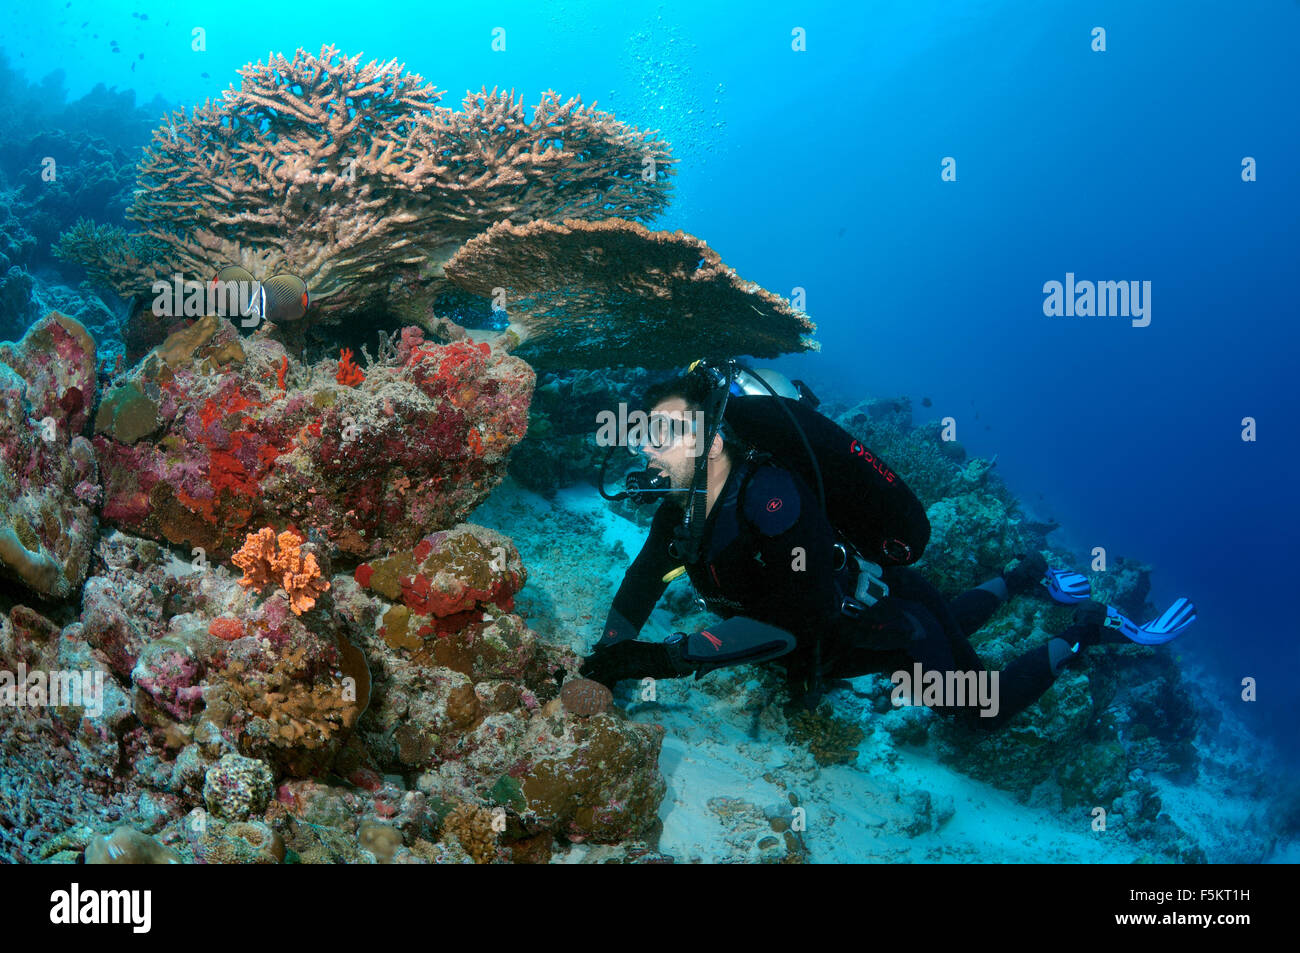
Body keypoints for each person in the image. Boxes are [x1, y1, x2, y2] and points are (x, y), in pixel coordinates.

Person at [580, 366, 1195, 730]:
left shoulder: (771, 498)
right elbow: (644, 580)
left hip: (883, 623)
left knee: (981, 708)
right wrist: (606, 655)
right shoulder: (681, 511)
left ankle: (1088, 627)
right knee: (947, 621)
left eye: (665, 434)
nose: (646, 449)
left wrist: (658, 660)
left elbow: (794, 620)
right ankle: (1023, 575)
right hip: (866, 615)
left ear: (712, 444)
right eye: (645, 434)